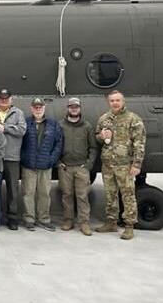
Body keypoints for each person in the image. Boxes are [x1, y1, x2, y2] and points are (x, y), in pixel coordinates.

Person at [95, 90, 146, 240]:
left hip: (125, 164)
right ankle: (111, 222)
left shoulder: (133, 119)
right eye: (112, 101)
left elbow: (140, 143)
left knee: (128, 195)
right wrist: (101, 136)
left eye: (118, 100)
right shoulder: (104, 119)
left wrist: (136, 164)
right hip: (108, 164)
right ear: (108, 102)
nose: (115, 103)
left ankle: (129, 225)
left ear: (123, 102)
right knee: (110, 194)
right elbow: (97, 137)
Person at [20, 98, 63, 232]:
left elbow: (58, 144)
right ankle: (29, 219)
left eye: (40, 107)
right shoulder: (26, 123)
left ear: (44, 108)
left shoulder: (53, 124)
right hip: (29, 165)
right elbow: (19, 142)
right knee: (28, 193)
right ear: (31, 108)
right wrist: (24, 158)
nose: (38, 109)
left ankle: (44, 219)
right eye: (35, 107)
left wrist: (52, 159)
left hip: (45, 165)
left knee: (44, 193)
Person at [59, 97, 98, 236]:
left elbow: (93, 147)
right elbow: (56, 145)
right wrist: (58, 162)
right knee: (67, 195)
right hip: (65, 167)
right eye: (71, 107)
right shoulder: (61, 125)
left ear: (79, 108)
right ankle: (68, 220)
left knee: (82, 196)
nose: (73, 109)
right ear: (68, 108)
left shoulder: (86, 126)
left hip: (81, 167)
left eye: (76, 107)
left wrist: (88, 165)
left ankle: (84, 223)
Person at [0, 88, 27, 230]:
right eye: (1, 98)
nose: (4, 100)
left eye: (6, 98)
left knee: (12, 189)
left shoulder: (18, 113)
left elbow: (21, 130)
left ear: (11, 99)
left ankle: (12, 217)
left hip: (12, 157)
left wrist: (5, 127)